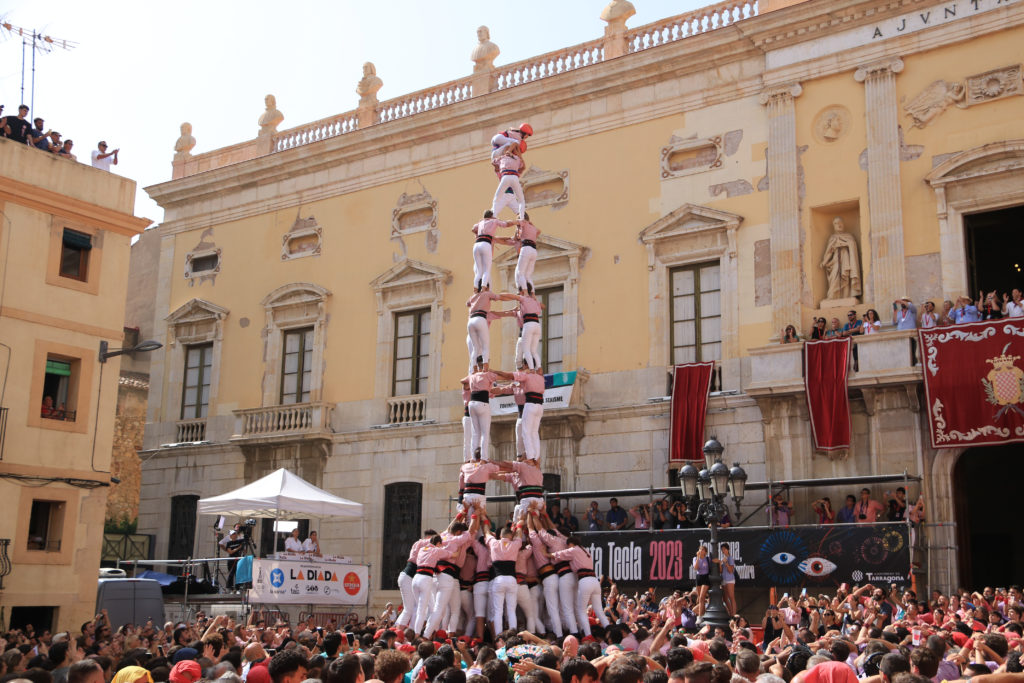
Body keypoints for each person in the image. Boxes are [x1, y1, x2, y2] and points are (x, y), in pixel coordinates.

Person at [548, 535, 608, 637]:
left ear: (570, 544)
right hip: (594, 580)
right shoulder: (585, 550)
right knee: (599, 610)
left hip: (585, 580)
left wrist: (547, 554)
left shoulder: (573, 549)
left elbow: (558, 554)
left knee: (580, 611)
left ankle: (587, 635)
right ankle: (609, 631)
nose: (567, 547)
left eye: (568, 546)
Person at [470, 210, 516, 291]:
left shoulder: (480, 226)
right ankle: (484, 288)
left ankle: (475, 288)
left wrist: (482, 221)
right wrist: (516, 222)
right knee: (487, 272)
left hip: (476, 247)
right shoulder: (493, 222)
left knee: (479, 272)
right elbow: (506, 225)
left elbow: (473, 229)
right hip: (485, 247)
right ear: (492, 216)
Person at [491, 148, 526, 220]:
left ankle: (524, 223)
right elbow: (523, 166)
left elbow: (493, 162)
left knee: (495, 206)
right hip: (505, 194)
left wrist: (502, 155)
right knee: (521, 203)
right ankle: (522, 220)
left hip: (510, 195)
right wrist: (516, 152)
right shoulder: (516, 161)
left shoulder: (502, 161)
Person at [514, 214, 541, 294]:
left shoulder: (522, 224)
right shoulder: (532, 227)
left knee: (520, 273)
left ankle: (525, 292)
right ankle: (532, 294)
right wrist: (531, 224)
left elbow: (516, 238)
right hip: (533, 250)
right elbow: (539, 231)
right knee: (528, 276)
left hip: (526, 248)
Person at [715, 543, 737, 615]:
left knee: (731, 597)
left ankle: (734, 615)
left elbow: (731, 570)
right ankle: (730, 613)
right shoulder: (723, 558)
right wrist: (719, 563)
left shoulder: (730, 558)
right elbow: (721, 571)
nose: (723, 551)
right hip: (723, 580)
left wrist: (726, 563)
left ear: (728, 549)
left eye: (724, 549)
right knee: (725, 598)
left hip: (730, 580)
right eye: (722, 549)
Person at [692, 545, 711, 616]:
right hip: (699, 577)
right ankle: (702, 614)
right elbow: (696, 567)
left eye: (703, 549)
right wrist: (698, 557)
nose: (701, 550)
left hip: (706, 577)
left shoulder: (707, 559)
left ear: (705, 552)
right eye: (700, 549)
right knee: (700, 598)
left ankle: (700, 616)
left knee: (702, 597)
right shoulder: (695, 558)